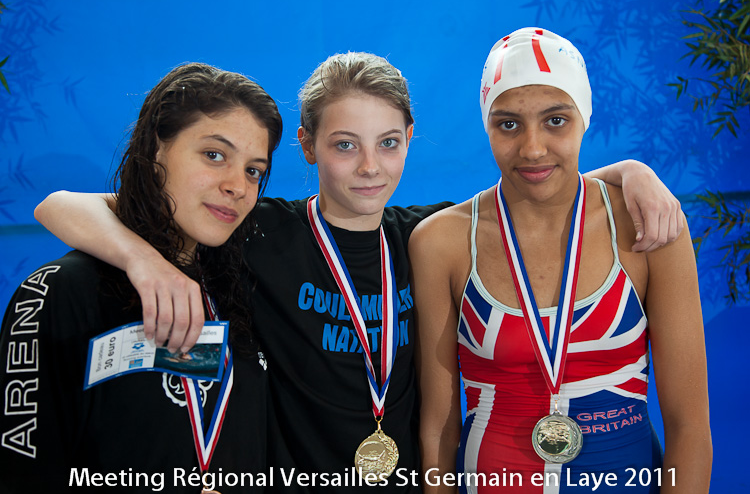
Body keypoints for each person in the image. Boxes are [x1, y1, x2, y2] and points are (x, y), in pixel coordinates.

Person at [33, 52, 682, 493]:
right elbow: (63, 205)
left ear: (409, 138)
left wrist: (631, 172)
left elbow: (537, 183)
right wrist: (142, 259)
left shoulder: (430, 237)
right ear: (308, 145)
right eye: (345, 145)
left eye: (388, 143)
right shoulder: (261, 229)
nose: (370, 166)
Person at [411, 28, 711, 494]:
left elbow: (688, 426)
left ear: (584, 117)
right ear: (487, 126)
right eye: (508, 124)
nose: (532, 148)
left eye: (556, 120)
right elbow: (438, 430)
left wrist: (632, 170)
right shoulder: (441, 243)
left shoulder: (648, 226)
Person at [0, 62, 283, 493]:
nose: (238, 186)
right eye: (214, 155)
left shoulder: (246, 284)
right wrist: (142, 260)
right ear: (155, 149)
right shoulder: (62, 290)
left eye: (253, 170)